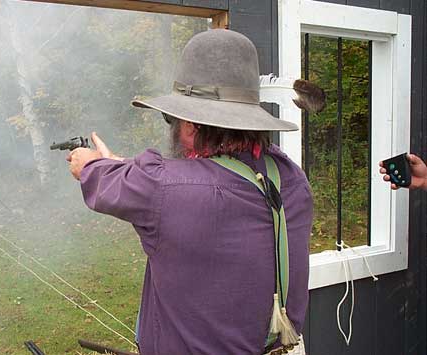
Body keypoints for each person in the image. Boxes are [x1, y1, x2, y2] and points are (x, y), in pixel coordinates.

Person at [68, 29, 313, 355]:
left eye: (173, 117)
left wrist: (88, 163)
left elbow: (110, 182)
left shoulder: (161, 188)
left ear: (193, 124)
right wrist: (119, 164)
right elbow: (185, 184)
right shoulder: (293, 180)